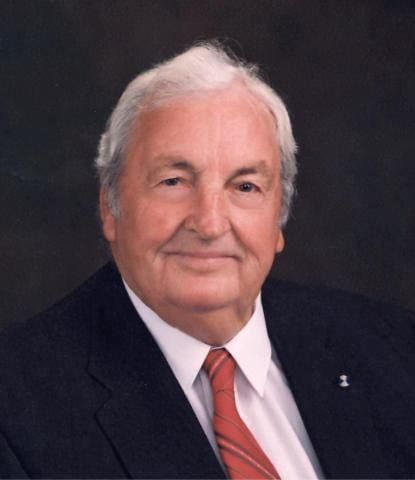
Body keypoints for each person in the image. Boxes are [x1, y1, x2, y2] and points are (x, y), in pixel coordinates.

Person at [1, 41, 415, 480]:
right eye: (174, 181)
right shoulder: (16, 407)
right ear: (110, 207)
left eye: (245, 186)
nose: (210, 223)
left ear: (279, 217)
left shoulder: (396, 351)